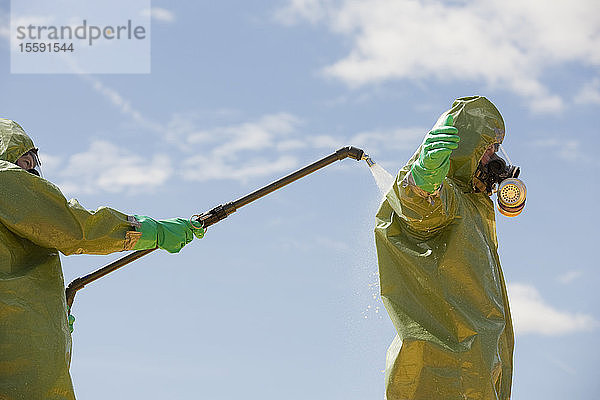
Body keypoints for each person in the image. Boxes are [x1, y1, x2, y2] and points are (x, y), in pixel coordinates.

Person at [0, 118, 204, 399]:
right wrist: (148, 231)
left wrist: (54, 316)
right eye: (26, 156)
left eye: (35, 158)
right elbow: (76, 228)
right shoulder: (4, 178)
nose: (32, 166)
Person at [375, 96, 515, 400]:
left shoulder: (476, 208)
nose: (495, 158)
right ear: (466, 147)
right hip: (442, 376)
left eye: (495, 148)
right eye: (487, 147)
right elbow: (417, 208)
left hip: (478, 378)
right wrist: (423, 181)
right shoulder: (448, 196)